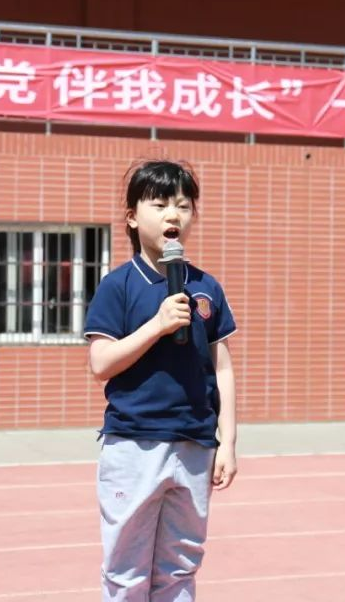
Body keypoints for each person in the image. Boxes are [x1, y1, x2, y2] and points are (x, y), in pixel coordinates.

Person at [84, 159, 238, 601]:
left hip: (195, 446)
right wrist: (157, 325)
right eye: (160, 204)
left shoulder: (206, 288)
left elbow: (222, 368)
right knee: (126, 572)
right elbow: (101, 363)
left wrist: (227, 442)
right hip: (135, 444)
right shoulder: (118, 286)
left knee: (180, 568)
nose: (174, 215)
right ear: (132, 217)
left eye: (184, 206)